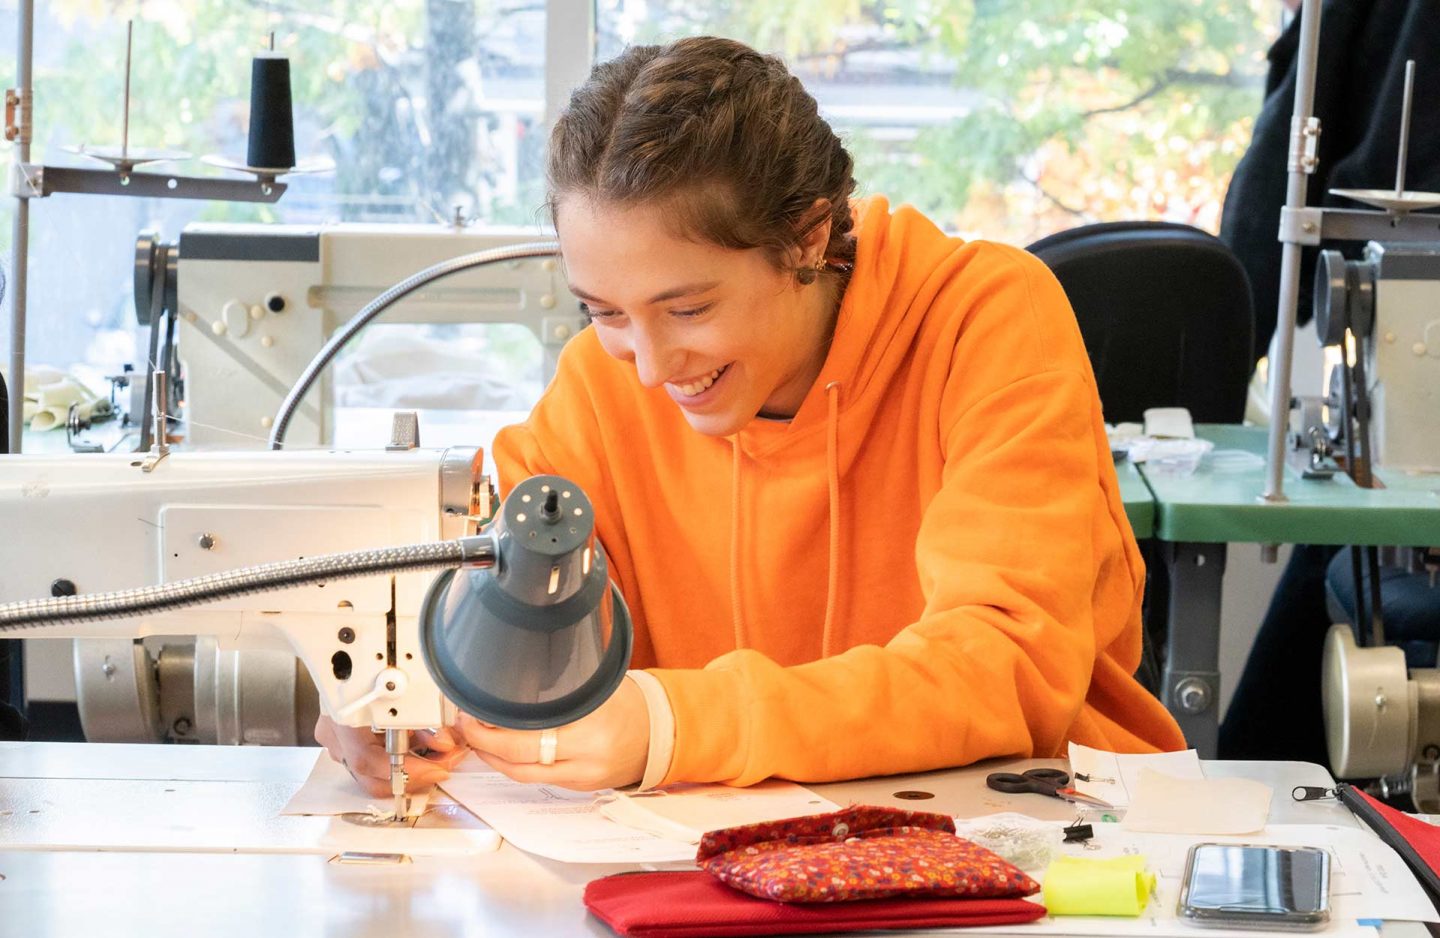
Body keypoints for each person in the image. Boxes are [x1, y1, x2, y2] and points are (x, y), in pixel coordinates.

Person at [316, 35, 1185, 796]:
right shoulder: (602, 381)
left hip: (1030, 829)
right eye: (605, 311)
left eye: (688, 310)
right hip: (716, 848)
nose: (651, 368)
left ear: (807, 237)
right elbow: (498, 594)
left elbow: (1007, 667)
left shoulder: (985, 320)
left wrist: (672, 723)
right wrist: (399, 694)